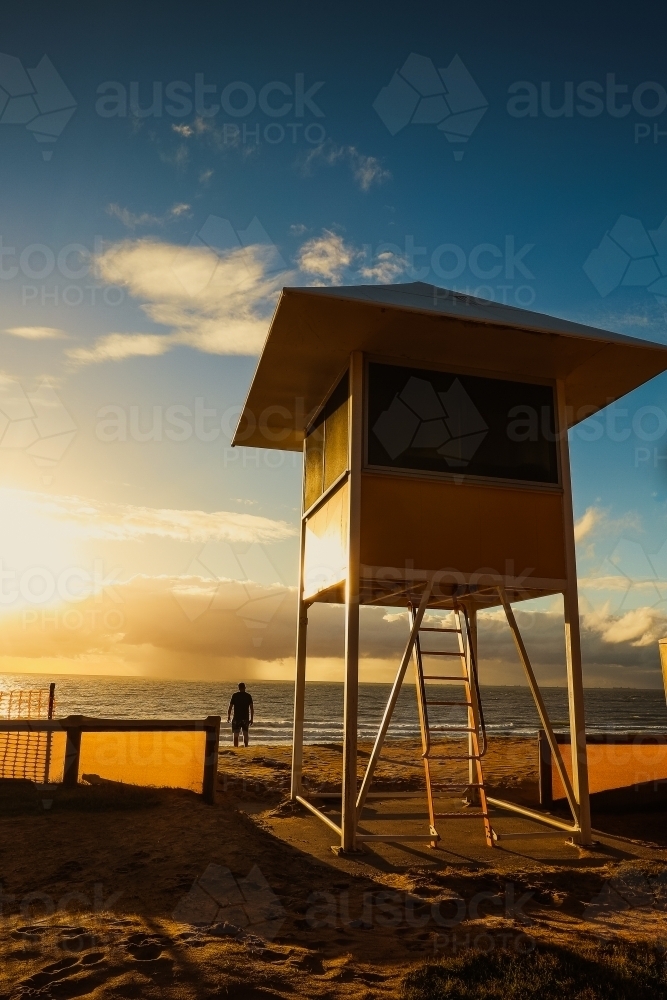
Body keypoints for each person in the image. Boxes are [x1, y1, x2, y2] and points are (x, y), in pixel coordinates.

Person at [227, 683, 254, 747]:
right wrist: (252, 719)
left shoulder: (235, 695)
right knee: (245, 733)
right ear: (245, 687)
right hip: (245, 717)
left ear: (239, 688)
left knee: (236, 734)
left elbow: (230, 707)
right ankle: (246, 746)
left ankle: (236, 747)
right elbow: (251, 708)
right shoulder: (248, 696)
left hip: (236, 718)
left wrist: (228, 716)